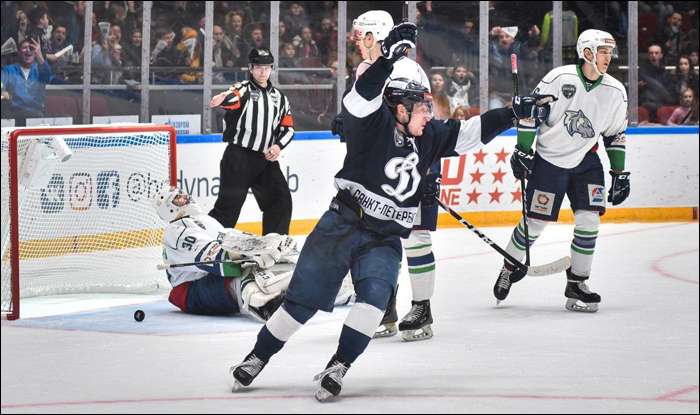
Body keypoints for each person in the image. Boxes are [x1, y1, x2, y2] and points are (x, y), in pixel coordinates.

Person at [228, 22, 549, 401]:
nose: (429, 113)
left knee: (374, 301)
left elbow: (470, 130)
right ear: (399, 107)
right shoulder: (370, 125)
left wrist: (513, 113)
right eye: (422, 106)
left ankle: (339, 364)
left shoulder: (429, 135)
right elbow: (357, 100)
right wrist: (385, 60)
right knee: (301, 304)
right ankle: (257, 357)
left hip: (383, 240)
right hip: (341, 225)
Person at [493, 29, 630, 313]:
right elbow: (530, 112)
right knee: (534, 225)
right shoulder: (559, 79)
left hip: (586, 162)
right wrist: (523, 150)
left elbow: (615, 134)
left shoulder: (615, 91)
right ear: (587, 53)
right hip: (549, 161)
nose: (608, 58)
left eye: (610, 53)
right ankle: (509, 267)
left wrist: (619, 172)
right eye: (603, 52)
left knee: (590, 222)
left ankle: (577, 283)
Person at [345, 10, 440, 342]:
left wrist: (427, 171)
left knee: (416, 235)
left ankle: (422, 307)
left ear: (373, 37)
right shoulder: (364, 69)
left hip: (414, 161)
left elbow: (424, 119)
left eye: (360, 36)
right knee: (378, 236)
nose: (356, 42)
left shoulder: (407, 68)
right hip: (381, 165)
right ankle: (385, 306)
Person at [153, 186, 353, 320]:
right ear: (169, 208)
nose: (185, 197)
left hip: (207, 280)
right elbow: (216, 259)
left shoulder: (203, 220)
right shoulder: (176, 230)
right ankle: (265, 306)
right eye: (178, 198)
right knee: (243, 274)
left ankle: (336, 292)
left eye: (182, 194)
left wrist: (266, 242)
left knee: (281, 263)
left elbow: (230, 237)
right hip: (190, 291)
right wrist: (250, 253)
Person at [209, 47, 294, 235]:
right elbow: (233, 98)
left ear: (271, 68)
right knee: (228, 209)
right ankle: (207, 244)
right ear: (251, 68)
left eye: (266, 67)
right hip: (238, 158)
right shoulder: (243, 88)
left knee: (280, 202)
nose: (262, 72)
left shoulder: (280, 98)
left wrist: (278, 146)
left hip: (265, 161)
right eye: (258, 67)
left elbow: (288, 129)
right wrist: (223, 98)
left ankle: (274, 245)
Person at [1, 38, 52, 125]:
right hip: (15, 113)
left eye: (31, 48)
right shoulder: (9, 70)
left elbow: (48, 77)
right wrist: (3, 92)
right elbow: (1, 85)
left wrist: (40, 56)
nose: (28, 50)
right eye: (24, 48)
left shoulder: (40, 69)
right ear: (18, 52)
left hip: (36, 114)